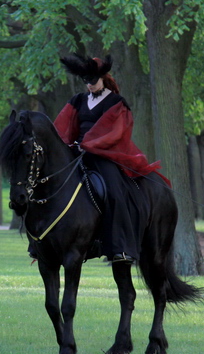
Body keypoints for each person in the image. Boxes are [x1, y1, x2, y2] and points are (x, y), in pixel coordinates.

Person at [54, 54, 170, 263]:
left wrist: (89, 145)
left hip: (103, 155)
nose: (89, 85)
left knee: (115, 192)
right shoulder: (78, 100)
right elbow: (63, 126)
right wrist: (65, 147)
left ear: (102, 77)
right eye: (85, 81)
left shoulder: (116, 103)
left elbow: (114, 132)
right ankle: (41, 244)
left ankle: (120, 247)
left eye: (92, 80)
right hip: (77, 154)